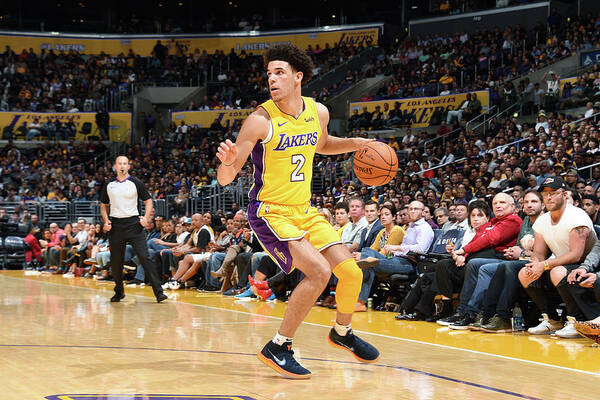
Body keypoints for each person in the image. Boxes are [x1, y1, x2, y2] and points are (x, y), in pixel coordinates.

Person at [215, 43, 379, 379]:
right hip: (269, 212)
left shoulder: (317, 111)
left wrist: (356, 144)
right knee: (319, 272)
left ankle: (342, 333)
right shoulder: (259, 121)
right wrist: (228, 164)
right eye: (269, 74)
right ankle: (279, 345)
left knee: (351, 273)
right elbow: (226, 176)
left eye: (279, 72)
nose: (272, 80)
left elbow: (321, 144)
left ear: (298, 76)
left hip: (303, 209)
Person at [518, 177, 597, 338]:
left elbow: (576, 255)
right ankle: (551, 319)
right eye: (545, 194)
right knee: (525, 274)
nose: (549, 197)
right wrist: (535, 263)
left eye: (553, 193)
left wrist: (544, 265)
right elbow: (539, 253)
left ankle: (576, 321)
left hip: (587, 266)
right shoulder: (542, 221)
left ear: (565, 194)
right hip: (561, 264)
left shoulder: (576, 216)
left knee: (557, 272)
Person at [100, 156, 168, 303]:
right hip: (116, 226)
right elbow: (104, 205)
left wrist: (146, 217)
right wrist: (106, 221)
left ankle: (159, 292)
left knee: (145, 257)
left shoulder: (136, 183)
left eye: (125, 163)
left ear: (129, 166)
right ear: (115, 166)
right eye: (120, 164)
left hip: (134, 225)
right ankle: (119, 291)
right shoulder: (108, 184)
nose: (122, 166)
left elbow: (148, 200)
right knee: (116, 261)